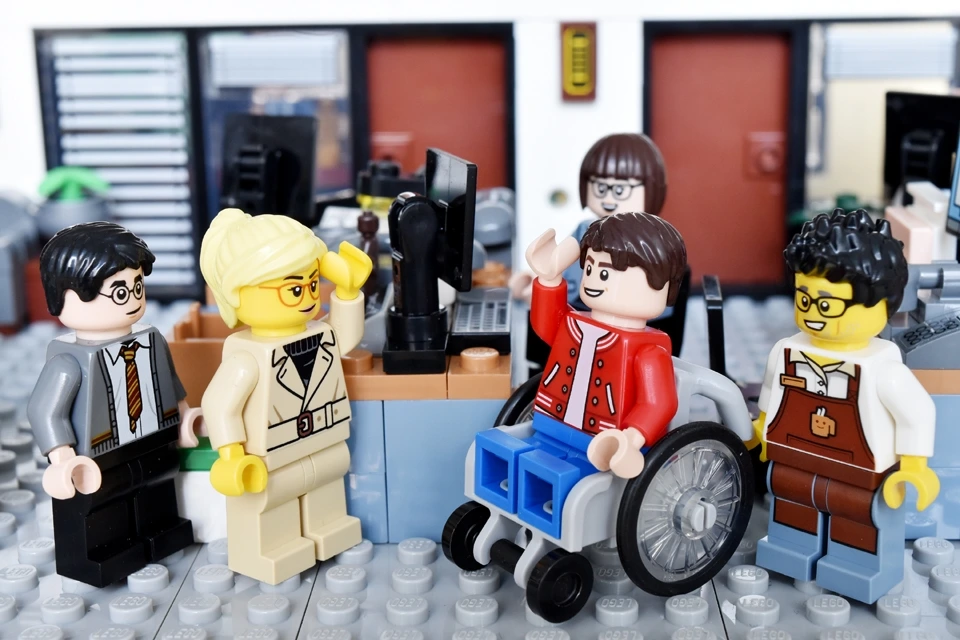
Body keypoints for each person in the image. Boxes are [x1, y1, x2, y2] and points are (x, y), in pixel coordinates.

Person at [752, 209, 938, 604]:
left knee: (859, 515)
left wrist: (914, 466)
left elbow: (917, 413)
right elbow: (771, 392)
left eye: (827, 305)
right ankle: (791, 548)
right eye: (804, 299)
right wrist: (762, 427)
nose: (812, 314)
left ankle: (858, 565)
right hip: (794, 456)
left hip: (859, 470)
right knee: (792, 501)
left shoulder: (882, 368)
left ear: (881, 305)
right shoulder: (787, 350)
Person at [474, 212, 687, 538]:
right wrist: (549, 279)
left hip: (601, 448)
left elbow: (658, 403)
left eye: (606, 273)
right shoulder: (577, 323)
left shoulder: (647, 349)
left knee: (564, 483)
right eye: (589, 269)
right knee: (508, 455)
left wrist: (631, 438)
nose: (593, 280)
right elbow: (547, 325)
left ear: (660, 285)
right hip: (550, 426)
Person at [200, 208, 372, 585]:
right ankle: (272, 548)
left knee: (325, 481)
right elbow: (219, 404)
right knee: (270, 499)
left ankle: (328, 527)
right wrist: (231, 454)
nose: (308, 297)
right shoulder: (247, 354)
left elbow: (344, 336)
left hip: (324, 438)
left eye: (313, 284)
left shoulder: (317, 332)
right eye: (294, 289)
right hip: (271, 455)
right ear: (240, 293)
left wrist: (347, 291)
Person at [28, 222, 200, 587]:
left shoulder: (151, 341)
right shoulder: (68, 362)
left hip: (154, 440)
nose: (134, 298)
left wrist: (184, 418)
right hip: (97, 457)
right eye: (119, 292)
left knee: (156, 488)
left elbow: (169, 382)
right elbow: (45, 411)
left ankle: (159, 530)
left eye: (137, 286)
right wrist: (62, 457)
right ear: (65, 296)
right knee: (101, 504)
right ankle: (104, 551)